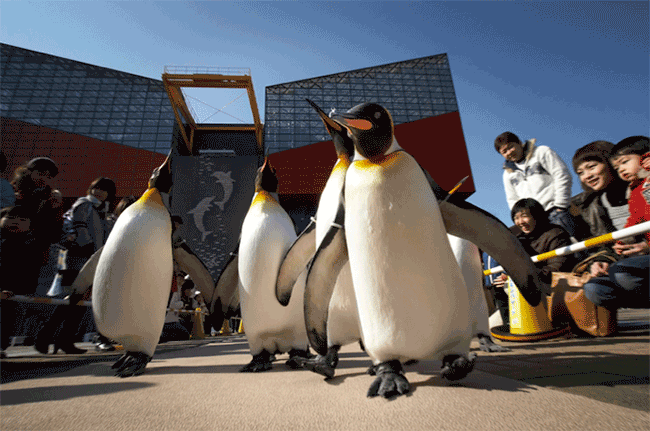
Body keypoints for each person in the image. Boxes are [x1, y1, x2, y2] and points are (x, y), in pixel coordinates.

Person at [34, 177, 116, 355]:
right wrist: (85, 245)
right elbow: (77, 226)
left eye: (104, 190)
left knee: (78, 303)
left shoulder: (103, 211)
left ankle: (64, 340)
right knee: (71, 300)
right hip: (79, 258)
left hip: (92, 260)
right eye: (97, 188)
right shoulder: (84, 203)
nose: (99, 192)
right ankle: (45, 337)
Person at [582, 136, 650, 309]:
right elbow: (633, 223)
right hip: (633, 261)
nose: (621, 170)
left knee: (623, 273)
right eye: (617, 167)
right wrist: (615, 250)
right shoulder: (634, 191)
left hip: (635, 263)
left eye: (624, 162)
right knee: (593, 288)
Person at [492, 198, 578, 326]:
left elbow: (556, 270)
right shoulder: (519, 239)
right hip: (530, 288)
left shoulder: (556, 233)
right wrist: (508, 275)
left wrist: (517, 276)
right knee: (497, 289)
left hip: (554, 287)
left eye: (525, 216)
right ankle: (510, 326)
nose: (520, 222)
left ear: (537, 215)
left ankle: (528, 326)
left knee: (510, 285)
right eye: (516, 218)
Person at [495, 131, 576, 238]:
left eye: (511, 147)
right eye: (504, 151)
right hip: (533, 221)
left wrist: (560, 205)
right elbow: (512, 199)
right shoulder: (507, 174)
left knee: (573, 248)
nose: (509, 152)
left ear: (519, 142)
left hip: (555, 212)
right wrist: (521, 218)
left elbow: (561, 175)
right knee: (550, 253)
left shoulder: (541, 152)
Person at [0, 206, 40, 357]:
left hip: (13, 290)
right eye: (11, 218)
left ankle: (1, 345)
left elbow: (31, 270)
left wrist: (28, 289)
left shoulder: (30, 243)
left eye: (22, 220)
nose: (16, 222)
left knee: (8, 318)